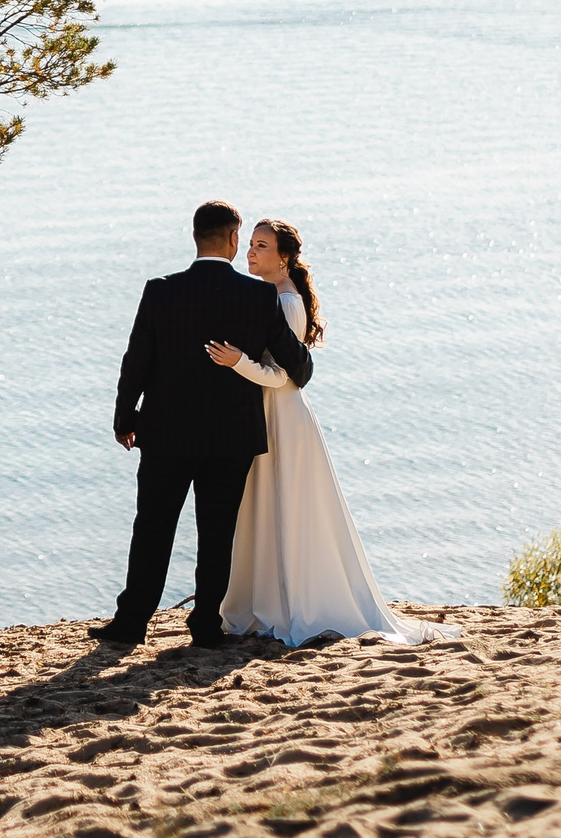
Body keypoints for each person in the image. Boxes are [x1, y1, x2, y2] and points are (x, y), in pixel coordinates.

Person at [210, 218, 457, 646]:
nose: (250, 252)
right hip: (265, 414)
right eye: (249, 244)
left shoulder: (286, 303)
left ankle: (294, 606)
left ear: (284, 257)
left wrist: (238, 363)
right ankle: (263, 603)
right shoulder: (265, 296)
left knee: (289, 508)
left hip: (283, 415)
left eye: (261, 246)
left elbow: (282, 377)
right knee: (265, 509)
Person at [93, 200, 316, 649]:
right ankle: (205, 626)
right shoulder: (259, 297)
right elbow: (300, 370)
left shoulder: (160, 290)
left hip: (164, 434)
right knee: (217, 534)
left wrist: (124, 419)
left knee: (152, 529)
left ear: (195, 238)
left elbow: (135, 362)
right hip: (230, 439)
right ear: (234, 241)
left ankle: (131, 624)